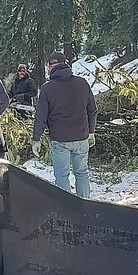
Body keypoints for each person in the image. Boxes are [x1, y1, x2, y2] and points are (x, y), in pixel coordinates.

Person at [31, 51, 96, 198]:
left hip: (59, 139)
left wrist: (36, 139)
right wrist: (91, 131)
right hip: (81, 136)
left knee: (61, 175)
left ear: (50, 67)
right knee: (82, 173)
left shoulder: (47, 88)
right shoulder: (82, 83)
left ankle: (66, 208)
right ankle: (85, 205)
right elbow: (92, 110)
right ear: (66, 64)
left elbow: (41, 116)